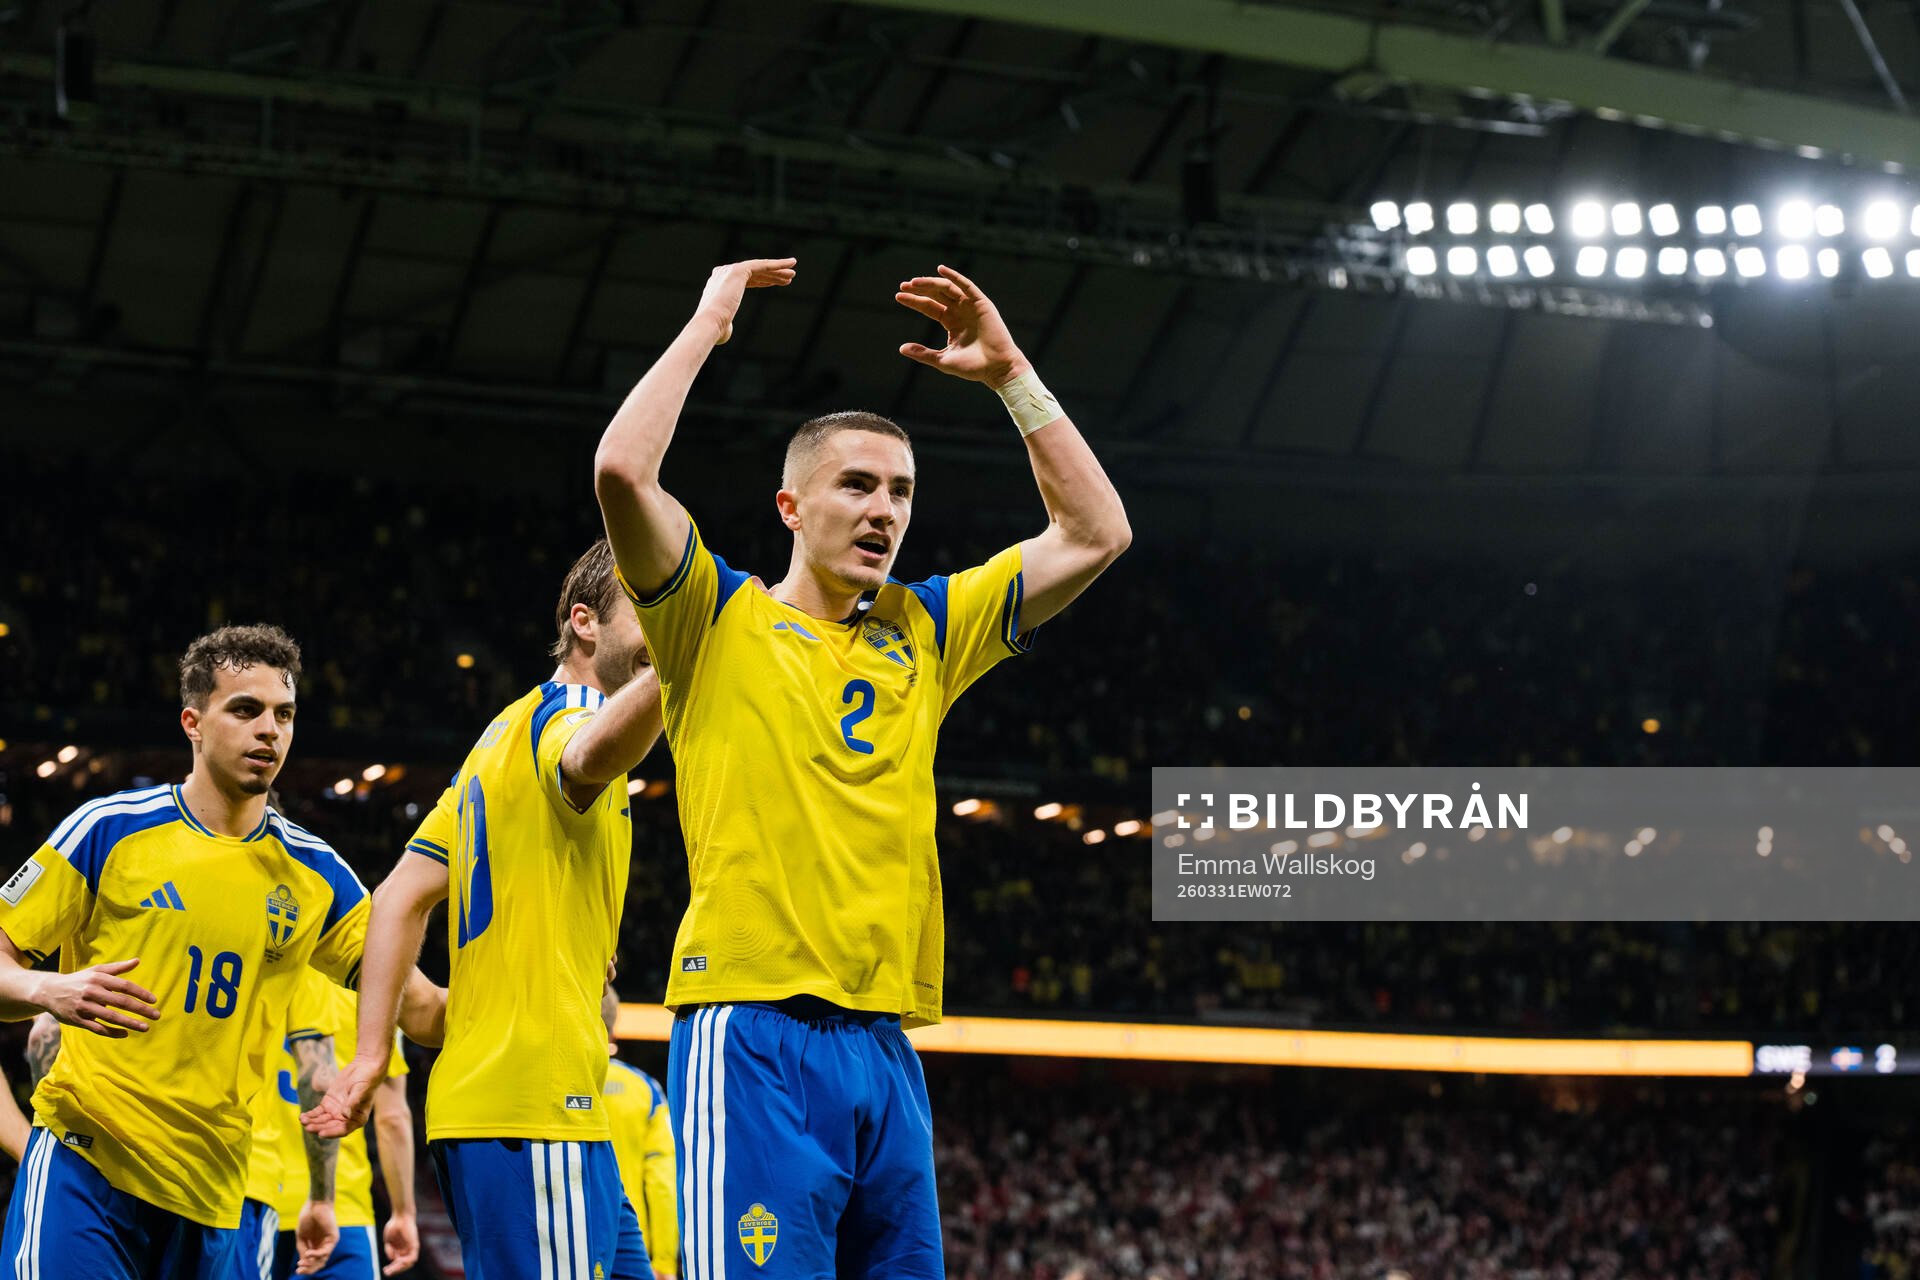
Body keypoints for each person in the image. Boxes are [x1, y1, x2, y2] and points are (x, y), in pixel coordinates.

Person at [592, 258, 1130, 1277]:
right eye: (857, 485)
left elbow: (1099, 532)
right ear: (791, 506)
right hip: (749, 1032)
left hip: (883, 1045)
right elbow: (623, 472)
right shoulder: (711, 616)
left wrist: (1013, 373)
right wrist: (710, 321)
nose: (884, 510)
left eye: (901, 491)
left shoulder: (926, 625)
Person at [0, 625, 437, 1280]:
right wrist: (47, 990)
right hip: (86, 1169)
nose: (271, 731)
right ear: (193, 723)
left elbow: (425, 1007)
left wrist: (547, 988)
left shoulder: (317, 878)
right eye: (246, 709)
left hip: (214, 1198)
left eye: (284, 714)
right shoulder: (108, 831)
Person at [307, 541, 664, 1280]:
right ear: (585, 623)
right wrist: (687, 661)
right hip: (533, 1106)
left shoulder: (496, 737)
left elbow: (400, 895)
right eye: (652, 612)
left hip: (534, 1107)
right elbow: (583, 758)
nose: (668, 628)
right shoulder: (570, 718)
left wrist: (375, 1050)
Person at [600, 984, 675, 1280]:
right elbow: (663, 1184)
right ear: (614, 1032)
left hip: (565, 1242)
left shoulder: (547, 1086)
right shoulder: (645, 1091)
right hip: (630, 1251)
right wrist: (665, 1262)